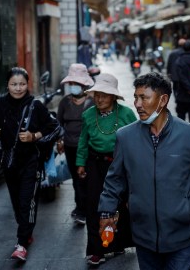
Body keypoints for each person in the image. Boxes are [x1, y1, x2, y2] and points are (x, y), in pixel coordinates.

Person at [98, 72, 190, 270]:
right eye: (136, 97)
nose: (137, 104)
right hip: (143, 233)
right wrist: (106, 212)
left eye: (143, 97)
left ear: (163, 100)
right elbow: (114, 180)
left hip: (180, 233)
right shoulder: (126, 137)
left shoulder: (189, 134)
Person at [0, 67, 63, 261]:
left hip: (31, 162)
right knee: (17, 203)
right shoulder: (0, 104)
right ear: (8, 85)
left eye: (21, 84)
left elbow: (55, 128)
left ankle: (21, 243)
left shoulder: (35, 106)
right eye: (13, 84)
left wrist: (34, 136)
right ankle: (26, 232)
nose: (18, 88)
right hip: (9, 162)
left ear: (27, 84)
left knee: (27, 201)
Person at [76, 73, 137, 266]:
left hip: (120, 164)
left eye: (104, 94)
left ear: (113, 97)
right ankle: (96, 250)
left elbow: (138, 139)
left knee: (120, 205)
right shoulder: (87, 115)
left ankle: (117, 243)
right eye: (97, 94)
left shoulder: (126, 114)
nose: (99, 99)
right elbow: (83, 141)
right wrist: (80, 163)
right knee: (94, 206)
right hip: (95, 165)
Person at [56, 63, 95, 225]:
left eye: (77, 84)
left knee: (84, 178)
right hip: (70, 147)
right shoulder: (65, 102)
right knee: (75, 178)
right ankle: (80, 207)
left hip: (87, 148)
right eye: (72, 84)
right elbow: (59, 124)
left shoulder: (92, 103)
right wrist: (59, 140)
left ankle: (82, 209)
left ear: (84, 84)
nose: (74, 86)